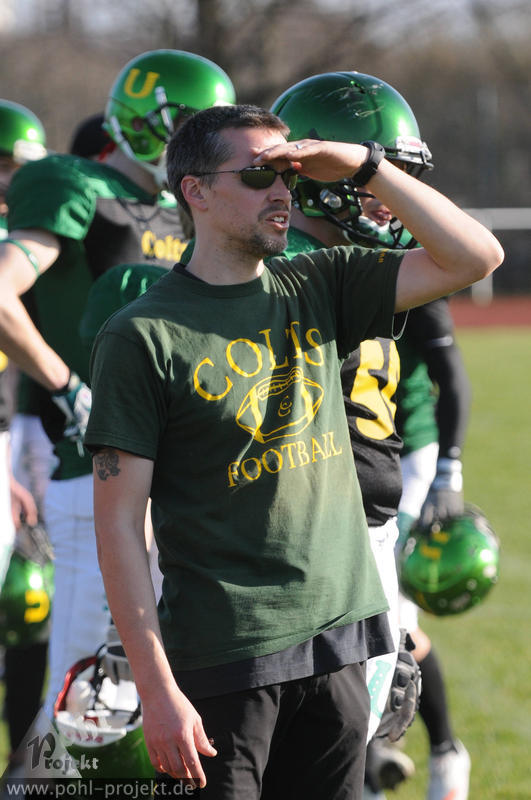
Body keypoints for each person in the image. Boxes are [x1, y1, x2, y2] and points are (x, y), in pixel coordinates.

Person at [84, 103, 502, 799]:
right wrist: (155, 690)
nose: (282, 192)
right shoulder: (142, 334)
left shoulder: (319, 283)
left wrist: (367, 166)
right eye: (259, 175)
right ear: (195, 191)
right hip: (225, 656)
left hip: (340, 639)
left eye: (289, 175)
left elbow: (475, 257)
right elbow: (120, 524)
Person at [0, 50, 236, 723]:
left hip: (176, 478)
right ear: (144, 119)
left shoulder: (180, 210)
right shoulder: (76, 185)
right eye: (192, 127)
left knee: (140, 697)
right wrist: (69, 387)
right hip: (98, 468)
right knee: (86, 699)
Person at [331, 98, 473, 798]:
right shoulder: (300, 265)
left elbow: (451, 376)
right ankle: (370, 763)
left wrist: (448, 471)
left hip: (396, 447)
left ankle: (439, 749)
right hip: (327, 468)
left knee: (393, 621)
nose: (391, 198)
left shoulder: (404, 264)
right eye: (371, 178)